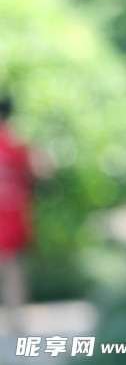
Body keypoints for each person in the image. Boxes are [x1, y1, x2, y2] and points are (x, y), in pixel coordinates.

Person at [0, 97, 31, 334]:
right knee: (13, 271)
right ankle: (15, 321)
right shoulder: (18, 145)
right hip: (13, 213)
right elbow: (32, 177)